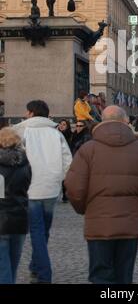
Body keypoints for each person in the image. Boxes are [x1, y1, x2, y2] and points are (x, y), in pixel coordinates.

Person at [65, 106, 138, 285]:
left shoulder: (88, 150)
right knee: (124, 276)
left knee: (100, 275)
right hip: (129, 224)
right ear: (125, 121)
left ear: (102, 121)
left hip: (98, 224)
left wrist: (84, 209)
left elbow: (73, 187)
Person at [13, 100, 72, 284]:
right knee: (43, 230)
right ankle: (35, 265)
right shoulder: (56, 134)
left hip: (31, 188)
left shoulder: (21, 131)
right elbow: (68, 162)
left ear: (30, 113)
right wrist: (58, 178)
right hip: (51, 188)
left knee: (38, 231)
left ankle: (44, 273)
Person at [0, 128, 32, 284]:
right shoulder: (25, 162)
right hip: (20, 217)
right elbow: (26, 186)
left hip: (1, 219)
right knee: (13, 265)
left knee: (3, 268)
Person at [57, 119, 73, 203]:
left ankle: (65, 194)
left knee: (65, 177)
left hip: (66, 158)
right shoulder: (55, 134)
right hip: (57, 158)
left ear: (67, 126)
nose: (61, 126)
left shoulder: (71, 135)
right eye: (60, 124)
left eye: (64, 124)